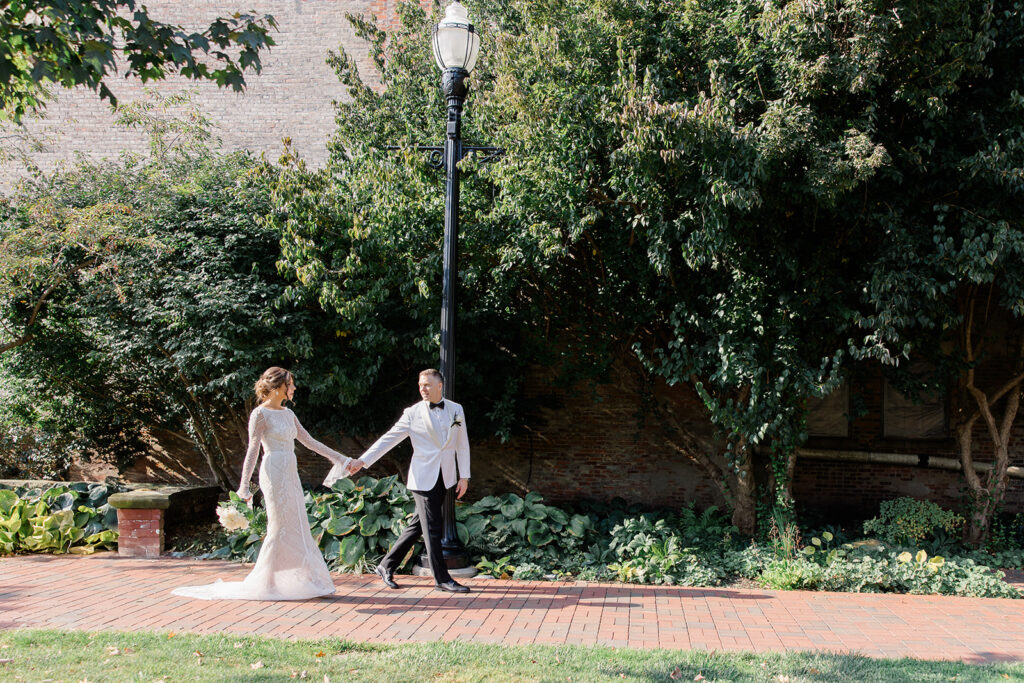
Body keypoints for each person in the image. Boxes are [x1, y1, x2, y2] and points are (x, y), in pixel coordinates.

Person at [173, 367, 357, 601]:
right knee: (278, 527)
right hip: (272, 472)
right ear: (279, 387)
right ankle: (266, 582)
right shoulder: (260, 414)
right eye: (290, 384)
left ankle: (309, 581)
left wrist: (342, 459)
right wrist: (244, 486)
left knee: (298, 525)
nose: (294, 387)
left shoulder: (289, 414)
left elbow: (310, 441)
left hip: (290, 472)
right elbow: (252, 450)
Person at [325, 368, 471, 593]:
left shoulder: (456, 409)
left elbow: (462, 444)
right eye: (420, 385)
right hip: (422, 479)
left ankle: (386, 565)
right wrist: (363, 461)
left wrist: (464, 476)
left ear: (440, 386)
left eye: (427, 385)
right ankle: (441, 579)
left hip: (446, 476)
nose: (422, 389)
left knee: (418, 526)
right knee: (433, 527)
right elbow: (389, 439)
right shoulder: (412, 413)